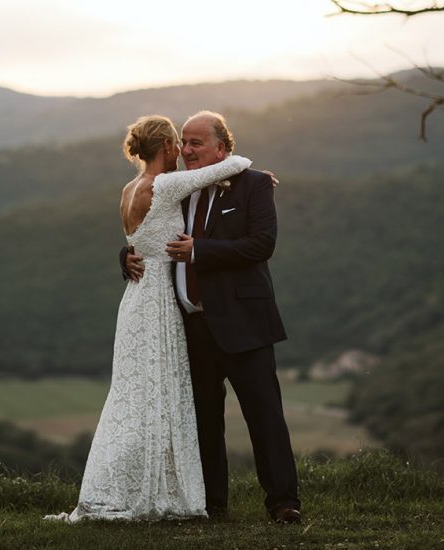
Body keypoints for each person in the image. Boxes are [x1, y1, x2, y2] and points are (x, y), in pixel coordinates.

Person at [44, 115, 251, 522]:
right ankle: (152, 488)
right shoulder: (166, 185)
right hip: (157, 301)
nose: (182, 151)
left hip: (135, 299)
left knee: (134, 396)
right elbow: (229, 164)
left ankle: (131, 483)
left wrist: (127, 257)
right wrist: (256, 173)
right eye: (178, 144)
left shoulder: (128, 189)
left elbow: (137, 240)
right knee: (159, 394)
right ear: (167, 147)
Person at [124, 111, 301, 523]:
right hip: (192, 326)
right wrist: (126, 255)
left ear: (222, 148)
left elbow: (262, 244)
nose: (186, 151)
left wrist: (200, 251)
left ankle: (283, 502)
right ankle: (211, 504)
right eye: (183, 143)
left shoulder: (255, 184)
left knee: (265, 416)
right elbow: (145, 229)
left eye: (196, 143)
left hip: (245, 322)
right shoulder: (176, 189)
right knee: (202, 420)